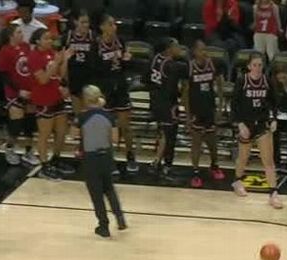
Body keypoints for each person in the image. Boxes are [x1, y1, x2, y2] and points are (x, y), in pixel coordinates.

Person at [232, 53, 283, 208]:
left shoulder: (267, 81)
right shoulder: (242, 81)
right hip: (246, 123)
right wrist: (240, 124)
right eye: (255, 65)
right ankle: (237, 181)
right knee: (243, 157)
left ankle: (273, 193)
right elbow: (234, 104)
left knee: (268, 161)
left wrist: (274, 118)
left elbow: (274, 102)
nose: (258, 68)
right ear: (249, 66)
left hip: (261, 123)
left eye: (260, 65)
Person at [79, 85, 128, 238]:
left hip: (90, 158)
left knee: (96, 194)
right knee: (109, 188)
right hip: (106, 156)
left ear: (85, 99)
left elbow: (73, 134)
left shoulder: (82, 117)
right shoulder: (109, 116)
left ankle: (103, 225)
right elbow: (115, 138)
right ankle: (120, 217)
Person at [95, 15, 138, 173]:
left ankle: (130, 156)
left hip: (120, 86)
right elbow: (93, 68)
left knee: (126, 126)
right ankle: (109, 159)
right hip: (105, 89)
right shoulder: (96, 45)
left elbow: (127, 65)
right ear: (102, 27)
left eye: (114, 24)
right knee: (107, 127)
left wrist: (127, 60)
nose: (114, 27)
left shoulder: (121, 42)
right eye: (110, 24)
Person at [27, 29, 70, 180]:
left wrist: (65, 60)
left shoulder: (52, 53)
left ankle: (56, 159)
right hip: (43, 99)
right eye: (46, 38)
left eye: (51, 38)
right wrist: (56, 62)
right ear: (37, 41)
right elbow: (43, 79)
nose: (50, 41)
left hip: (57, 97)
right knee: (44, 134)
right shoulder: (33, 57)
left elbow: (60, 75)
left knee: (62, 131)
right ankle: (44, 165)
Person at [0, 25, 39, 167]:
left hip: (29, 90)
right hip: (14, 92)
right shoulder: (5, 51)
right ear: (11, 35)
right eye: (19, 32)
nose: (22, 34)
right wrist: (18, 90)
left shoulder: (26, 47)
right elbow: (3, 74)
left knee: (29, 123)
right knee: (16, 123)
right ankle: (9, 148)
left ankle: (28, 151)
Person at [186, 39, 226, 188]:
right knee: (196, 143)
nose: (204, 52)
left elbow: (220, 85)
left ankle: (214, 165)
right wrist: (188, 114)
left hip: (209, 108)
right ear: (194, 52)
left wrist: (221, 107)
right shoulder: (189, 67)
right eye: (201, 49)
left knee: (212, 142)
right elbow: (185, 92)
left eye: (205, 49)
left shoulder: (213, 64)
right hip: (196, 109)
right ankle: (195, 172)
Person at [147, 39, 187, 180]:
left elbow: (145, 79)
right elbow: (172, 90)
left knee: (163, 134)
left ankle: (156, 162)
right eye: (177, 46)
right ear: (169, 49)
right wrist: (179, 94)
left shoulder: (154, 59)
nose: (180, 48)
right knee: (170, 136)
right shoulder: (171, 66)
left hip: (155, 100)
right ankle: (166, 168)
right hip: (167, 104)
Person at [63, 10, 94, 163]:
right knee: (80, 116)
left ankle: (89, 146)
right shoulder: (67, 37)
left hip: (91, 80)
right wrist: (64, 82)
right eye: (82, 22)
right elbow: (62, 60)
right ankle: (82, 146)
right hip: (75, 80)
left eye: (87, 22)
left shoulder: (93, 36)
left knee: (90, 115)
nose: (85, 25)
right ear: (75, 22)